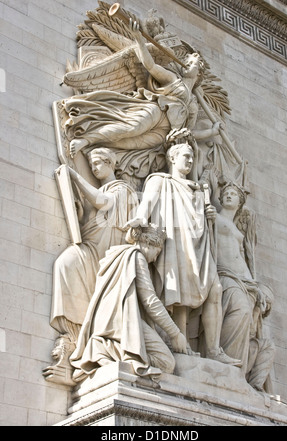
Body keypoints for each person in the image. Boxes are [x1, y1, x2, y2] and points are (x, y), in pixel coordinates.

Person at [125, 142, 241, 366]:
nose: (189, 161)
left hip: (200, 244)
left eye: (192, 157)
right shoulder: (160, 180)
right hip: (174, 242)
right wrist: (141, 217)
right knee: (179, 294)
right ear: (172, 158)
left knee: (215, 289)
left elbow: (203, 220)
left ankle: (214, 349)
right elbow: (148, 201)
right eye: (185, 156)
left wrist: (209, 215)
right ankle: (180, 343)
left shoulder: (198, 188)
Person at [45, 148, 139, 385]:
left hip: (107, 252)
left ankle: (83, 348)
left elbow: (104, 203)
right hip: (91, 245)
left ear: (110, 163)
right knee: (64, 264)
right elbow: (93, 215)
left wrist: (76, 177)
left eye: (98, 164)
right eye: (92, 164)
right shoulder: (102, 189)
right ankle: (76, 342)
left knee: (68, 266)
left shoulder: (121, 189)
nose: (95, 168)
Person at [62, 20, 221, 156]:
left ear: (199, 72)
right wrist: (138, 38)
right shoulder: (173, 79)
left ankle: (94, 144)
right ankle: (86, 139)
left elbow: (189, 132)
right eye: (186, 61)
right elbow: (150, 65)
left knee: (131, 143)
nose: (186, 63)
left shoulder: (192, 103)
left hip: (164, 133)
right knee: (130, 128)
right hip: (156, 113)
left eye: (192, 63)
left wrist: (212, 132)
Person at [70, 224, 188, 382]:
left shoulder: (118, 254)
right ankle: (102, 348)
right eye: (157, 252)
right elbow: (150, 301)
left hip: (107, 321)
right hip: (120, 321)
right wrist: (175, 334)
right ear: (149, 244)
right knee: (166, 363)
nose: (155, 258)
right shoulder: (136, 256)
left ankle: (104, 347)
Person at [216, 182, 275, 388]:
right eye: (226, 193)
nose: (229, 196)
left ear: (240, 203)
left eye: (233, 194)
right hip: (224, 274)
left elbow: (240, 258)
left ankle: (242, 376)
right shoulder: (213, 217)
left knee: (253, 326)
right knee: (240, 310)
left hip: (244, 280)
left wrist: (256, 286)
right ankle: (227, 368)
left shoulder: (236, 228)